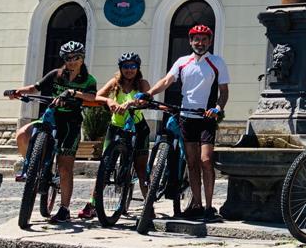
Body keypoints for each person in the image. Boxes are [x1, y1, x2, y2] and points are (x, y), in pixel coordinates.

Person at [144, 24, 229, 221]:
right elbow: (167, 81)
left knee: (206, 161)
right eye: (196, 39)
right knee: (191, 163)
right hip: (186, 117)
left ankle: (209, 207)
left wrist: (217, 108)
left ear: (210, 41)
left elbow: (223, 91)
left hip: (206, 118)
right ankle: (197, 205)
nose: (200, 43)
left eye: (204, 39)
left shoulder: (217, 62)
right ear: (190, 41)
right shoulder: (183, 62)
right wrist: (149, 94)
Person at [7, 41, 97, 223]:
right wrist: (18, 91)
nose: (71, 62)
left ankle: (64, 208)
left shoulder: (88, 80)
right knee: (22, 134)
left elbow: (92, 97)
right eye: (68, 58)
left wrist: (73, 93)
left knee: (65, 167)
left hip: (70, 123)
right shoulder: (56, 75)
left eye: (75, 58)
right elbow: (35, 88)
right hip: (51, 116)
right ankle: (32, 167)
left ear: (82, 59)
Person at [85, 52, 153, 218]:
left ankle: (149, 206)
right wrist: (110, 101)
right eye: (125, 67)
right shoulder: (115, 82)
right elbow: (98, 96)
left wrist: (132, 102)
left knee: (140, 168)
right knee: (105, 165)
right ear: (120, 68)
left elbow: (147, 98)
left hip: (138, 127)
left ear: (138, 68)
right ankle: (93, 204)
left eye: (132, 67)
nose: (129, 70)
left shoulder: (142, 83)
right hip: (117, 127)